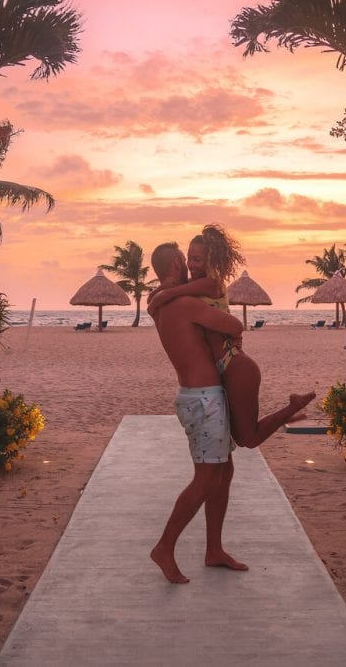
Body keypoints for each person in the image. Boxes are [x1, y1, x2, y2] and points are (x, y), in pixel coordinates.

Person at [148, 224, 314, 449]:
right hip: (221, 370)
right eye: (189, 258)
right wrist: (162, 290)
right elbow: (163, 301)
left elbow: (171, 297)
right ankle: (286, 414)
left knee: (248, 439)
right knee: (240, 436)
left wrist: (166, 291)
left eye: (197, 259)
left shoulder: (212, 283)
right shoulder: (192, 287)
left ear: (211, 262)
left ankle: (292, 407)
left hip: (236, 364)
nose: (191, 265)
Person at [147, 241, 250, 584]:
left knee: (224, 470)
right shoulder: (187, 304)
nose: (192, 264)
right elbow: (235, 327)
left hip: (197, 397)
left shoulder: (158, 304)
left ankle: (214, 549)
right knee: (207, 477)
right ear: (178, 262)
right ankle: (164, 546)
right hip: (204, 400)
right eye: (187, 259)